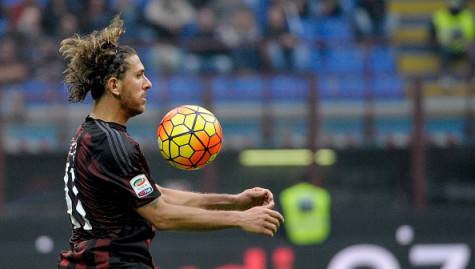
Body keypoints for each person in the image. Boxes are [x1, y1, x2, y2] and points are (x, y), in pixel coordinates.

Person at [58, 16, 284, 268]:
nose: (148, 84)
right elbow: (160, 214)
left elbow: (157, 195)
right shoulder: (110, 144)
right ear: (114, 85)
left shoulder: (92, 134)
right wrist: (239, 219)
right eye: (139, 76)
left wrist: (235, 202)